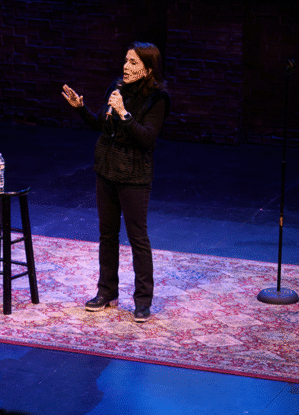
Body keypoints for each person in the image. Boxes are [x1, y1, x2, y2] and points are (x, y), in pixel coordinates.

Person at [61, 42, 170, 323]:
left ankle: (143, 301)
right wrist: (81, 108)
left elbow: (147, 139)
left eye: (133, 63)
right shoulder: (117, 86)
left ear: (148, 69)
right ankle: (106, 292)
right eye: (126, 60)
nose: (126, 67)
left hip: (134, 176)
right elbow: (101, 123)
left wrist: (124, 114)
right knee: (107, 234)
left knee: (137, 238)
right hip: (107, 170)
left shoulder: (158, 98)